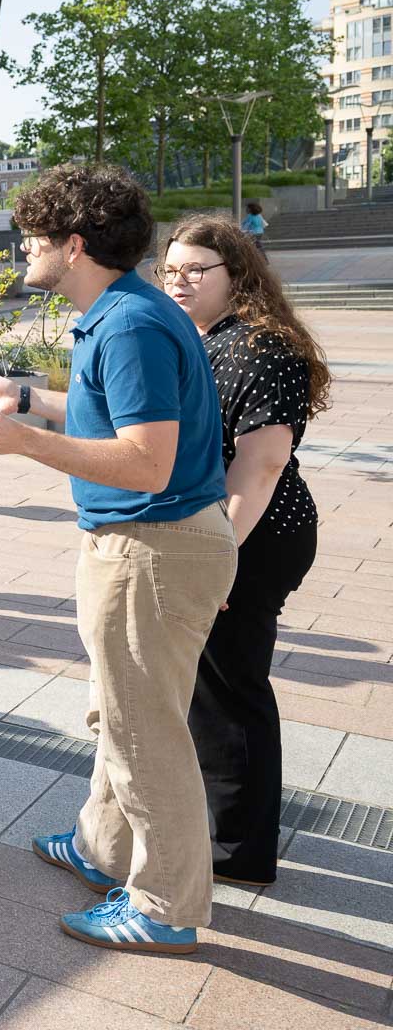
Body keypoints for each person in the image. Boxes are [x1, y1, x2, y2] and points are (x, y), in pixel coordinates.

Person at [0, 163, 235, 956]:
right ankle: (103, 849)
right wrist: (26, 400)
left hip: (152, 546)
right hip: (148, 544)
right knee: (122, 713)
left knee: (145, 732)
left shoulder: (130, 326)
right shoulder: (120, 312)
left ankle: (164, 907)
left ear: (73, 246)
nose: (24, 249)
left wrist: (26, 442)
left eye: (33, 238)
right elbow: (110, 414)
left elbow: (147, 461)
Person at [161, 214, 328, 888]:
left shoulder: (261, 347)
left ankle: (240, 850)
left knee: (231, 691)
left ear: (238, 274)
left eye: (195, 270)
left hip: (254, 536)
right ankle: (228, 828)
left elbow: (261, 464)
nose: (179, 282)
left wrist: (220, 559)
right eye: (170, 270)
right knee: (215, 688)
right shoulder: (209, 337)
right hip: (230, 531)